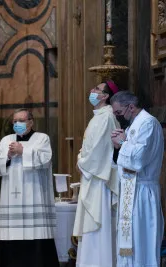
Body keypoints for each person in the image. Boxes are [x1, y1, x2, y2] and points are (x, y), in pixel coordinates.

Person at [0, 108, 59, 267]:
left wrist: (23, 151)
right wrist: (7, 155)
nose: (17, 124)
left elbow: (46, 159)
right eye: (15, 121)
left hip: (34, 193)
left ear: (31, 122)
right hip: (12, 199)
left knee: (36, 237)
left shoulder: (42, 139)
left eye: (21, 120)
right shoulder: (6, 140)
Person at [110, 91, 164, 267]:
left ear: (130, 107)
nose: (117, 116)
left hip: (143, 192)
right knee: (129, 243)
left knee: (142, 242)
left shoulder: (148, 123)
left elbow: (139, 160)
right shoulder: (133, 124)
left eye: (118, 112)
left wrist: (123, 143)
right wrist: (118, 146)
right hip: (130, 190)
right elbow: (125, 159)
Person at [73, 81, 120, 267]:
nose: (92, 91)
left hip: (99, 179)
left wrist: (80, 161)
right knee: (92, 227)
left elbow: (99, 151)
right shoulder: (98, 117)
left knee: (98, 223)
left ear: (106, 96)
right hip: (92, 176)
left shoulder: (106, 117)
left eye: (97, 90)